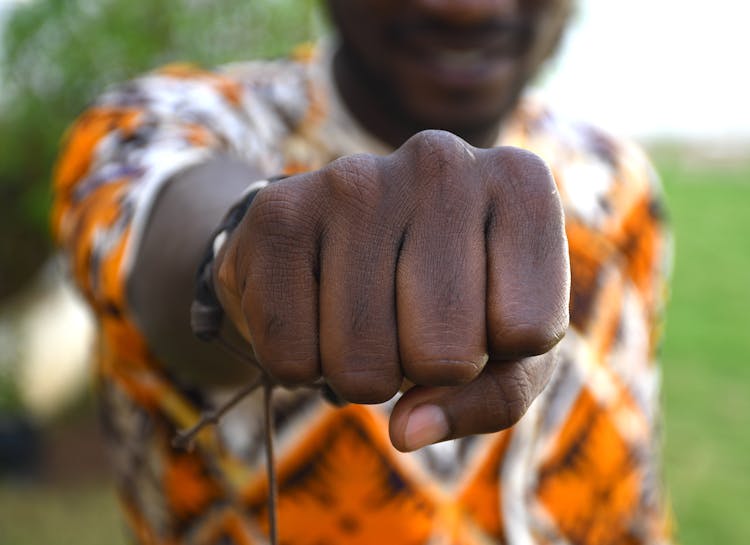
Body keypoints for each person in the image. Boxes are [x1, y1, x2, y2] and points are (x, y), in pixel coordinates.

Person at [52, 1, 672, 543]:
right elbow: (168, 232)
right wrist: (242, 252)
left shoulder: (616, 180)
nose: (464, 8)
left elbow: (633, 473)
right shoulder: (155, 126)